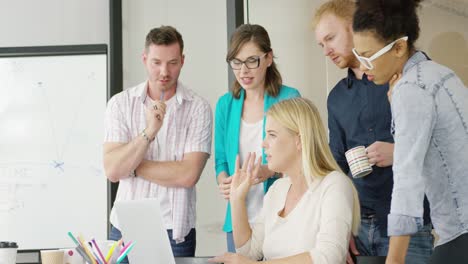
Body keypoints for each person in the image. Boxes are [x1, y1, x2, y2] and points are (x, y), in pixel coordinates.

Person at [313, 1, 433, 263]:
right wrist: (338, 230)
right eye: (321, 44)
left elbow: (442, 145)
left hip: (411, 223)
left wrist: (398, 152)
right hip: (359, 229)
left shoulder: (408, 77)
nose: (326, 51)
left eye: (330, 38)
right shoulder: (336, 98)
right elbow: (337, 167)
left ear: (354, 27)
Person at [352, 0, 468, 263]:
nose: (362, 65)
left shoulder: (410, 90)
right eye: (358, 55)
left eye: (368, 55)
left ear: (399, 47)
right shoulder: (441, 73)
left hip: (460, 233)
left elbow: (407, 182)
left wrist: (393, 260)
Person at [103, 26, 212, 258]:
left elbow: (188, 175)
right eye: (156, 62)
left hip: (175, 231)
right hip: (124, 228)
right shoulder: (120, 104)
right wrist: (149, 132)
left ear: (182, 61)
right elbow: (112, 170)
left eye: (172, 62)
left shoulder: (198, 108)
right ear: (144, 60)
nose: (164, 71)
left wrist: (131, 167)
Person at [210, 97, 360, 263]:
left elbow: (328, 257)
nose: (263, 144)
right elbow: (249, 253)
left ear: (299, 140)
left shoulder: (334, 185)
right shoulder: (277, 189)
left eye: (272, 135)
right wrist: (236, 199)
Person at [214, 24, 300, 252]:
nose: (244, 71)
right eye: (237, 62)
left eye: (252, 61)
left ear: (269, 58)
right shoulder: (225, 104)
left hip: (281, 215)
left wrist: (269, 170)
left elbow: (301, 156)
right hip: (238, 218)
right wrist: (224, 182)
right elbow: (221, 159)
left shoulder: (290, 98)